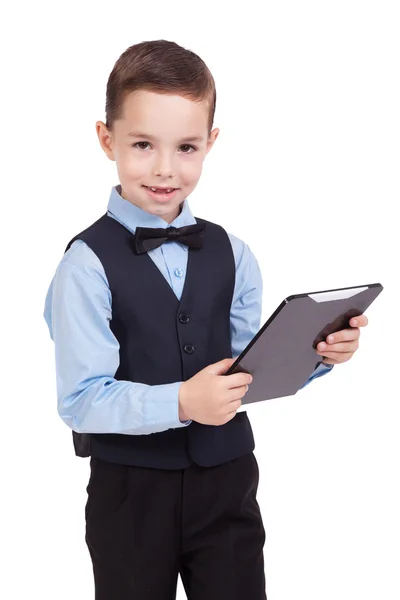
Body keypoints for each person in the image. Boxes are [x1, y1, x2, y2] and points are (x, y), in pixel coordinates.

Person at [43, 39, 369, 600]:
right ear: (106, 139)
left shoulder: (235, 252)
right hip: (131, 492)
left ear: (211, 143)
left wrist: (317, 354)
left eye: (187, 147)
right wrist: (180, 403)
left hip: (228, 479)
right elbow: (80, 399)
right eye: (143, 144)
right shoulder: (84, 266)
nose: (165, 169)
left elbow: (248, 369)